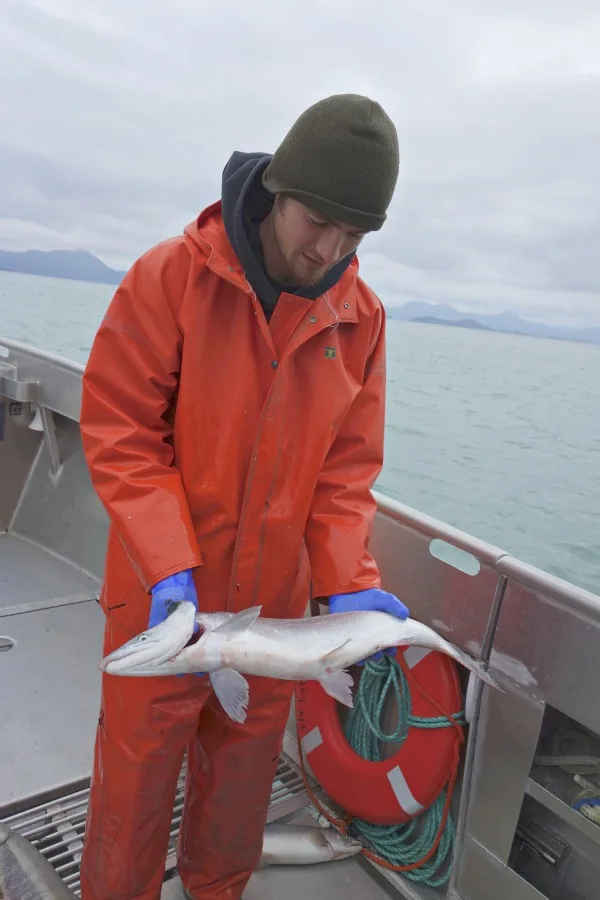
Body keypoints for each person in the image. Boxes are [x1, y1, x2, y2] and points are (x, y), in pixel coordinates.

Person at [78, 93, 410, 900]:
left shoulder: (359, 320)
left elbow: (344, 474)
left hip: (276, 615)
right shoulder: (171, 278)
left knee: (237, 800)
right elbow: (122, 429)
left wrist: (348, 577)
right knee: (132, 794)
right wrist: (165, 564)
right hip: (163, 603)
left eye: (354, 235)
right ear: (279, 192)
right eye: (317, 221)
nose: (329, 249)